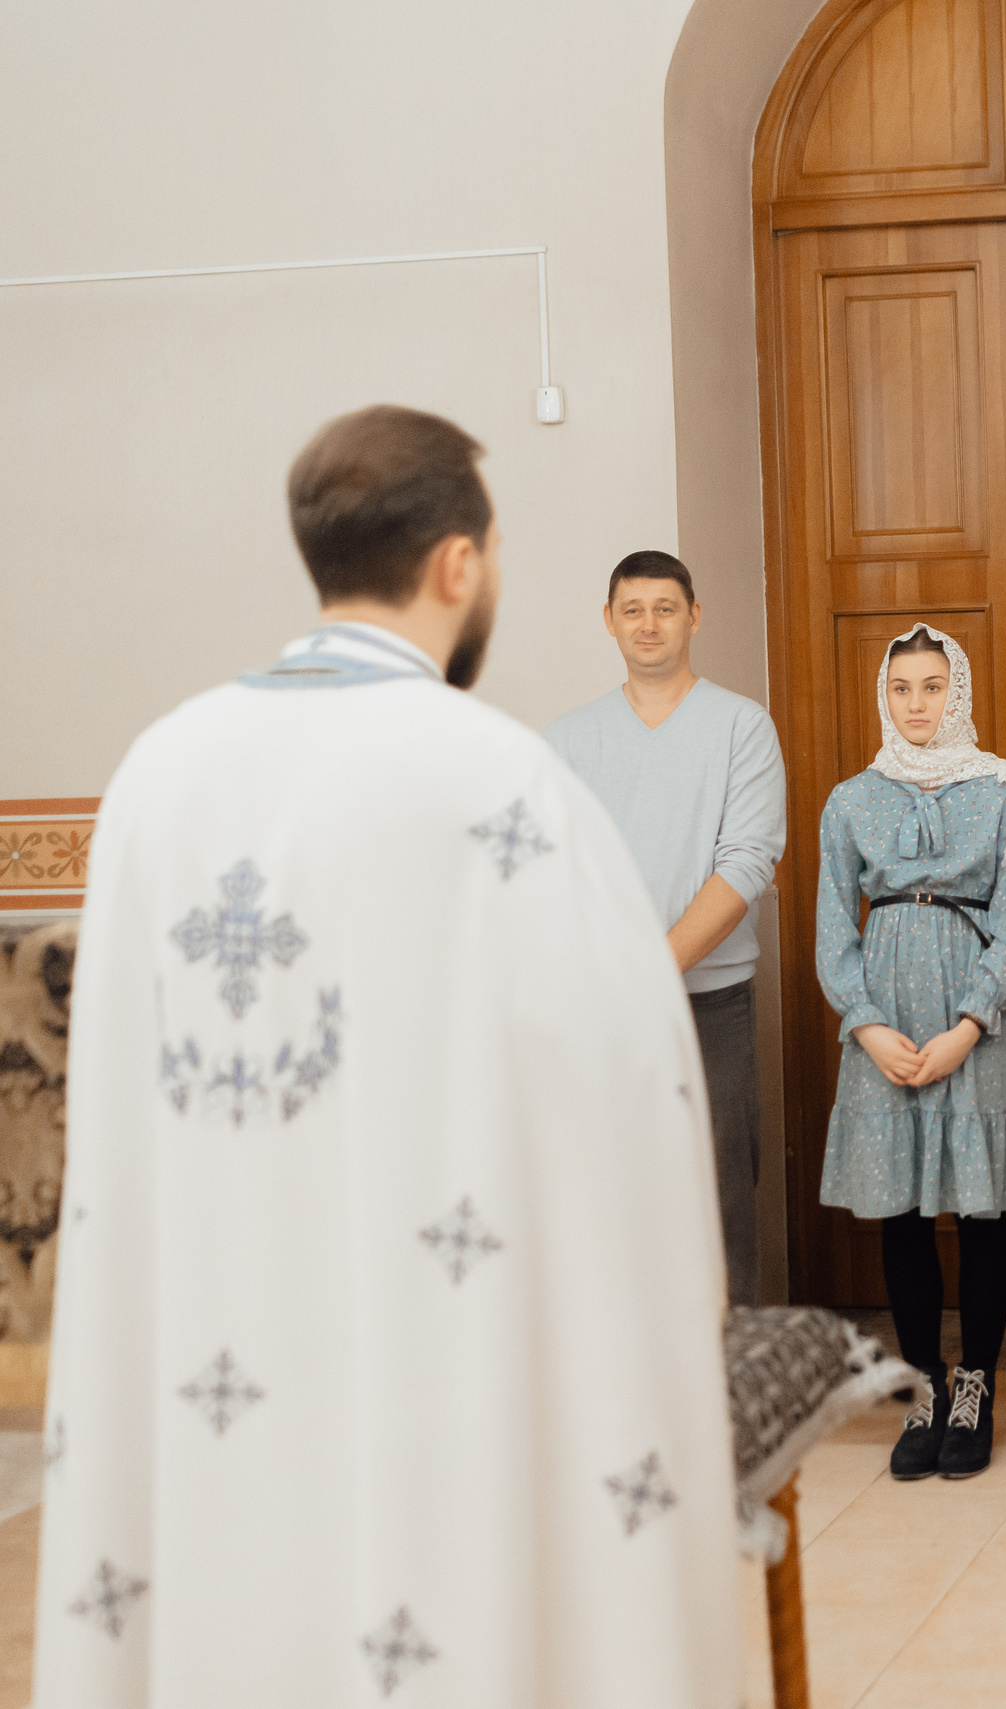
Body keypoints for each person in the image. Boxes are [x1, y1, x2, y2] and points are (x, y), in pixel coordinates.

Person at [37, 406, 737, 1705]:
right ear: (459, 565)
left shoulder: (159, 774)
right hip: (436, 1329)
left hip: (219, 1335)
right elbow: (632, 1065)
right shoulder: (499, 781)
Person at [815, 624, 1006, 1482]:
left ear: (961, 693)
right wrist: (867, 1022)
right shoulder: (849, 800)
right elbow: (834, 930)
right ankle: (923, 1390)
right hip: (886, 1022)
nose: (919, 704)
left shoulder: (1005, 795)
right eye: (904, 687)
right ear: (886, 695)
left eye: (934, 687)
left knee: (980, 1212)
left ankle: (976, 1389)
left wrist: (967, 1024)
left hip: (969, 1022)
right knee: (902, 1212)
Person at [546, 549, 785, 1308]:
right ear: (609, 621)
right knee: (607, 1196)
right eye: (633, 609)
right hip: (600, 1008)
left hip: (711, 1006)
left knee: (717, 1200)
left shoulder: (742, 726)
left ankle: (726, 1392)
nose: (649, 624)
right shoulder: (568, 739)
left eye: (666, 607)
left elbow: (745, 864)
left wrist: (650, 969)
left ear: (695, 616)